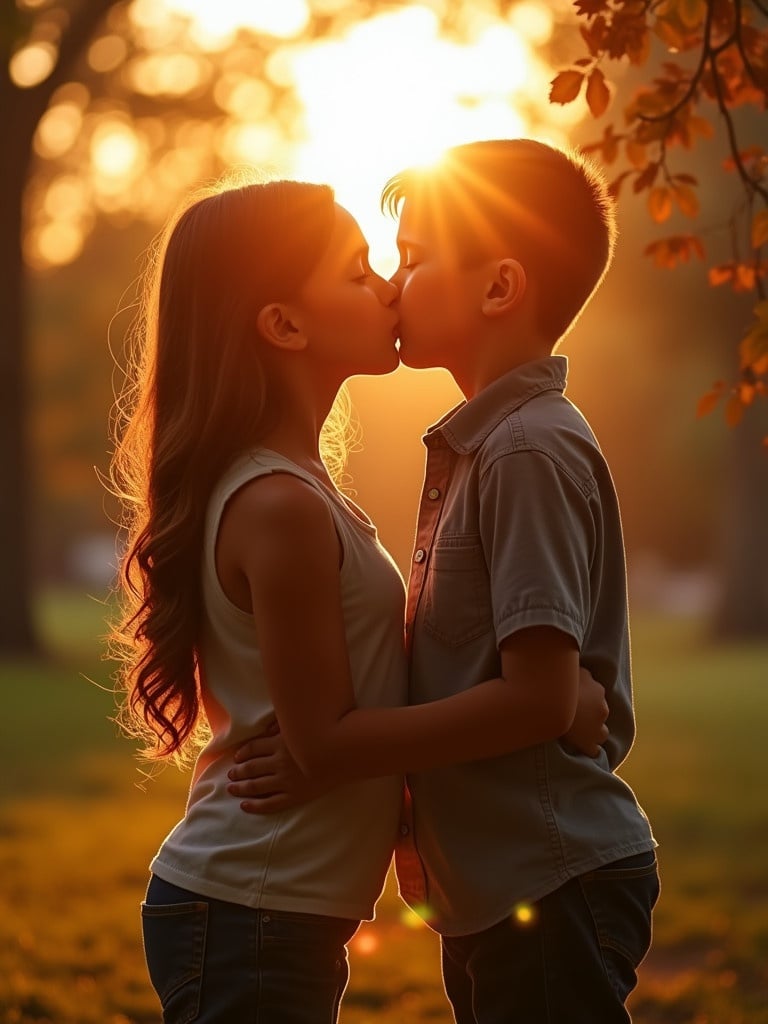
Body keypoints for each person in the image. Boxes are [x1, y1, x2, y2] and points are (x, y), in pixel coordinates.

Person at [109, 173, 607, 1024]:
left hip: (274, 904)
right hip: (248, 902)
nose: (387, 285)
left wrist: (556, 692)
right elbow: (326, 738)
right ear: (285, 324)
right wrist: (543, 701)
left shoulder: (309, 491)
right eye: (356, 271)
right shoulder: (281, 506)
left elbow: (364, 697)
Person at [229, 140, 659, 1023]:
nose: (392, 282)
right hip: (501, 889)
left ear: (500, 288)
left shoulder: (528, 449)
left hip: (550, 875)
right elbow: (520, 686)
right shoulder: (485, 447)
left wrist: (339, 752)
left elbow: (539, 699)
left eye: (413, 259)